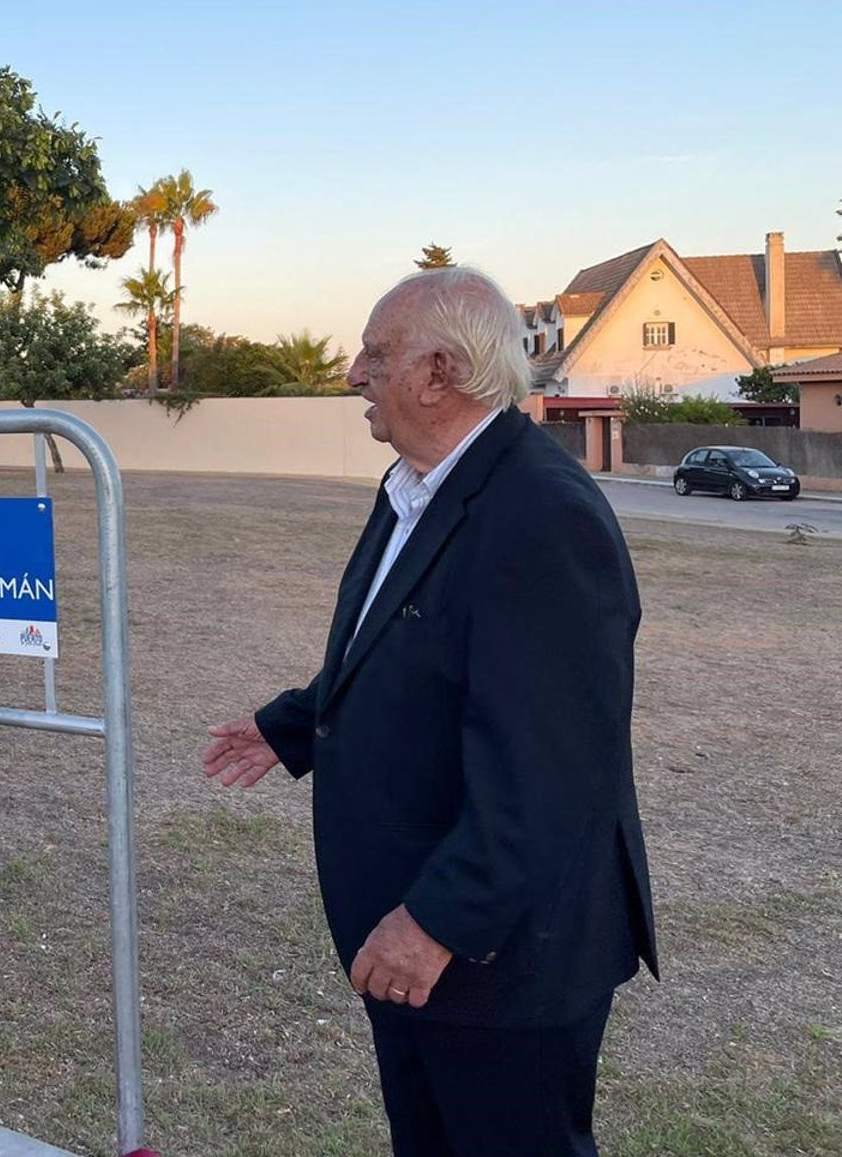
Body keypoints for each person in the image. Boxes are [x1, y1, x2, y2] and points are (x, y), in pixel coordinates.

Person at [203, 267, 657, 1157]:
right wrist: (292, 725)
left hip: (497, 959)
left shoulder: (540, 516)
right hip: (417, 935)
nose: (351, 373)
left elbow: (555, 767)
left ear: (439, 373)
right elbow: (410, 650)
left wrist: (437, 924)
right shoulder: (417, 485)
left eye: (375, 354)